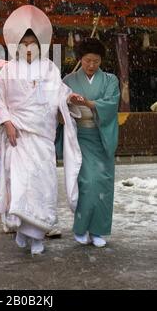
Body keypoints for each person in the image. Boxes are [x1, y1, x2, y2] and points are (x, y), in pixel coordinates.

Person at [0, 5, 82, 256]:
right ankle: (22, 230)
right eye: (24, 43)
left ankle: (37, 235)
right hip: (18, 135)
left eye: (33, 43)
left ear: (39, 45)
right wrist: (7, 122)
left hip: (41, 138)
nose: (28, 47)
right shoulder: (8, 70)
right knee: (21, 186)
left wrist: (69, 98)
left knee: (41, 185)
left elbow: (59, 94)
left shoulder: (49, 69)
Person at [61, 38, 120, 248]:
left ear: (101, 60)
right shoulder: (68, 80)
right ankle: (81, 227)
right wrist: (68, 103)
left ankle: (98, 230)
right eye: (87, 61)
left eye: (95, 61)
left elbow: (112, 104)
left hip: (102, 136)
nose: (91, 65)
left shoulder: (110, 80)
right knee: (87, 183)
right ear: (80, 59)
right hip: (80, 137)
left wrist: (89, 103)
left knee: (103, 183)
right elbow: (58, 106)